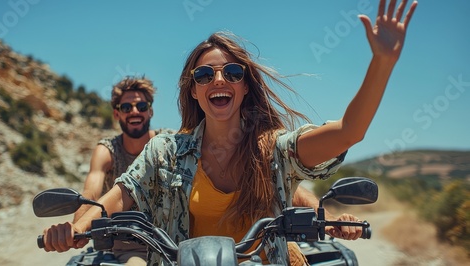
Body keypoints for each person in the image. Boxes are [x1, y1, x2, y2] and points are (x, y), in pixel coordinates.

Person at [42, 0, 417, 265]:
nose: (218, 80)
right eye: (205, 75)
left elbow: (350, 131)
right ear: (194, 90)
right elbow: (118, 195)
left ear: (244, 86)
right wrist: (75, 230)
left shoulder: (275, 150)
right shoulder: (165, 151)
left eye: (232, 73)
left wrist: (382, 62)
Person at [73, 76, 175, 265]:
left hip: (174, 243)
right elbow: (90, 193)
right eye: (126, 108)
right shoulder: (108, 150)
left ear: (150, 111)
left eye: (142, 106)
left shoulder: (169, 142)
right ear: (116, 114)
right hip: (132, 248)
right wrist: (76, 228)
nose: (135, 112)